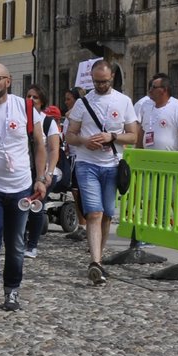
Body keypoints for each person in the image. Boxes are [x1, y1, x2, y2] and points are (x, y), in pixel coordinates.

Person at [0, 63, 48, 316]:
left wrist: (41, 178)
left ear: (8, 81)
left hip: (21, 188)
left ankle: (12, 289)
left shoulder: (24, 108)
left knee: (15, 244)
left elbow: (39, 145)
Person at [64, 59, 139, 287]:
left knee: (107, 214)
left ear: (112, 78)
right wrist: (85, 141)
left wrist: (112, 137)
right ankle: (95, 262)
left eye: (104, 82)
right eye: (97, 82)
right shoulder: (83, 103)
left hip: (112, 165)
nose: (100, 85)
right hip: (88, 164)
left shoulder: (123, 101)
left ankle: (99, 258)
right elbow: (70, 135)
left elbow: (134, 136)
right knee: (94, 213)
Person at [22, 84, 63, 259]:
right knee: (21, 206)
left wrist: (49, 173)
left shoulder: (47, 122)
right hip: (24, 169)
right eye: (28, 97)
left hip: (43, 170)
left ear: (42, 101)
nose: (31, 100)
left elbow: (54, 150)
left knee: (36, 206)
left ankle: (32, 245)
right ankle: (19, 240)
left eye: (35, 98)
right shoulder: (21, 118)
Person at [134, 73, 178, 153]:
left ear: (164, 90)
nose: (150, 90)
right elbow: (141, 132)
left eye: (154, 87)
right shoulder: (145, 106)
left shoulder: (177, 108)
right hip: (148, 159)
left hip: (169, 160)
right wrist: (138, 154)